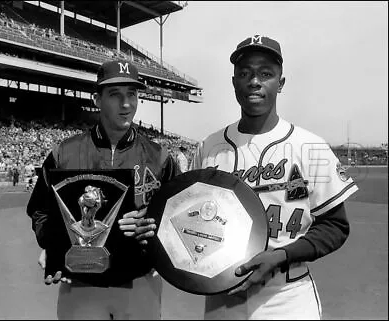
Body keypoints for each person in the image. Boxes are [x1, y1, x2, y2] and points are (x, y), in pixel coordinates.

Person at [135, 35, 359, 320]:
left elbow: (335, 226)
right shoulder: (209, 147)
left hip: (287, 296)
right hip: (223, 296)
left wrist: (281, 256)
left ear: (281, 82)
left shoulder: (309, 147)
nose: (255, 81)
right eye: (245, 73)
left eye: (266, 74)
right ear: (234, 83)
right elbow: (184, 218)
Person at [27, 58, 179, 320]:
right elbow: (40, 210)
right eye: (115, 95)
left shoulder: (160, 157)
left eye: (132, 94)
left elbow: (178, 215)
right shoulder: (63, 153)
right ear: (96, 99)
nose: (127, 104)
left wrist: (155, 236)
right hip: (81, 287)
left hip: (140, 283)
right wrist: (54, 245)